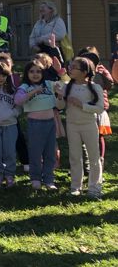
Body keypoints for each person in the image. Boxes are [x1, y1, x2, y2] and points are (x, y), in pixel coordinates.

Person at [56, 56, 104, 199]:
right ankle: (76, 186)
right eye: (70, 66)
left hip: (89, 125)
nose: (70, 69)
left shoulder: (95, 87)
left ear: (85, 72)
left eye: (74, 67)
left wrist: (82, 105)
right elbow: (60, 107)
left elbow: (100, 108)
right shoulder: (66, 86)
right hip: (72, 125)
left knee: (94, 157)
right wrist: (59, 97)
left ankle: (94, 187)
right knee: (75, 157)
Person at [15, 60, 58, 191]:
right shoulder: (24, 87)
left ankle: (49, 179)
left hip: (50, 123)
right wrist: (33, 92)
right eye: (32, 71)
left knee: (50, 153)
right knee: (35, 153)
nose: (35, 74)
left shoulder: (49, 84)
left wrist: (60, 90)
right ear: (27, 73)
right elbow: (18, 100)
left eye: (38, 71)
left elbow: (63, 85)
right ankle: (35, 178)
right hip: (35, 124)